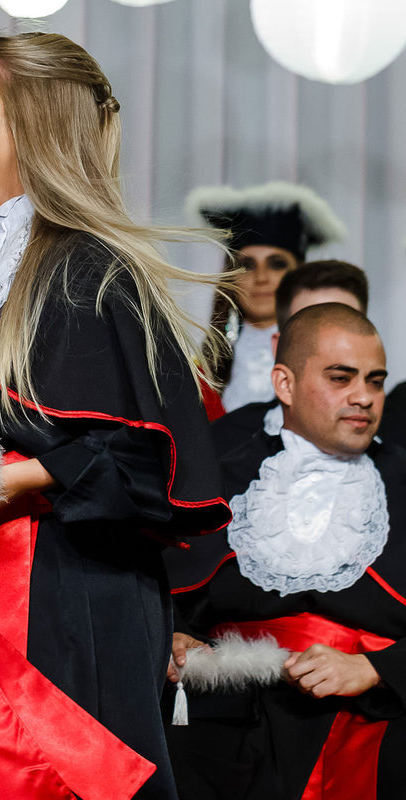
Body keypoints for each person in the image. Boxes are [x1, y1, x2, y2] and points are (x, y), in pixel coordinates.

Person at [0, 32, 231, 799]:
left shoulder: (95, 271)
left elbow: (149, 469)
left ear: (30, 123)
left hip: (66, 608)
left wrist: (19, 477)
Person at [164, 304, 406, 799]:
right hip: (223, 734)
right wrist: (175, 633)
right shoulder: (217, 474)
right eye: (341, 378)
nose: (363, 397)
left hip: (371, 735)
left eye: (375, 381)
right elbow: (163, 589)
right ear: (285, 384)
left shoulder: (404, 480)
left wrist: (375, 669)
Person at [188, 182, 345, 414]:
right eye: (247, 265)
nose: (261, 277)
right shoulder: (201, 370)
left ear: (298, 275)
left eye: (277, 264)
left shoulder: (330, 359)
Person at [212, 259, 369, 453]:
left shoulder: (395, 446)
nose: (330, 348)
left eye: (345, 328)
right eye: (310, 330)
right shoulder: (225, 442)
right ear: (280, 347)